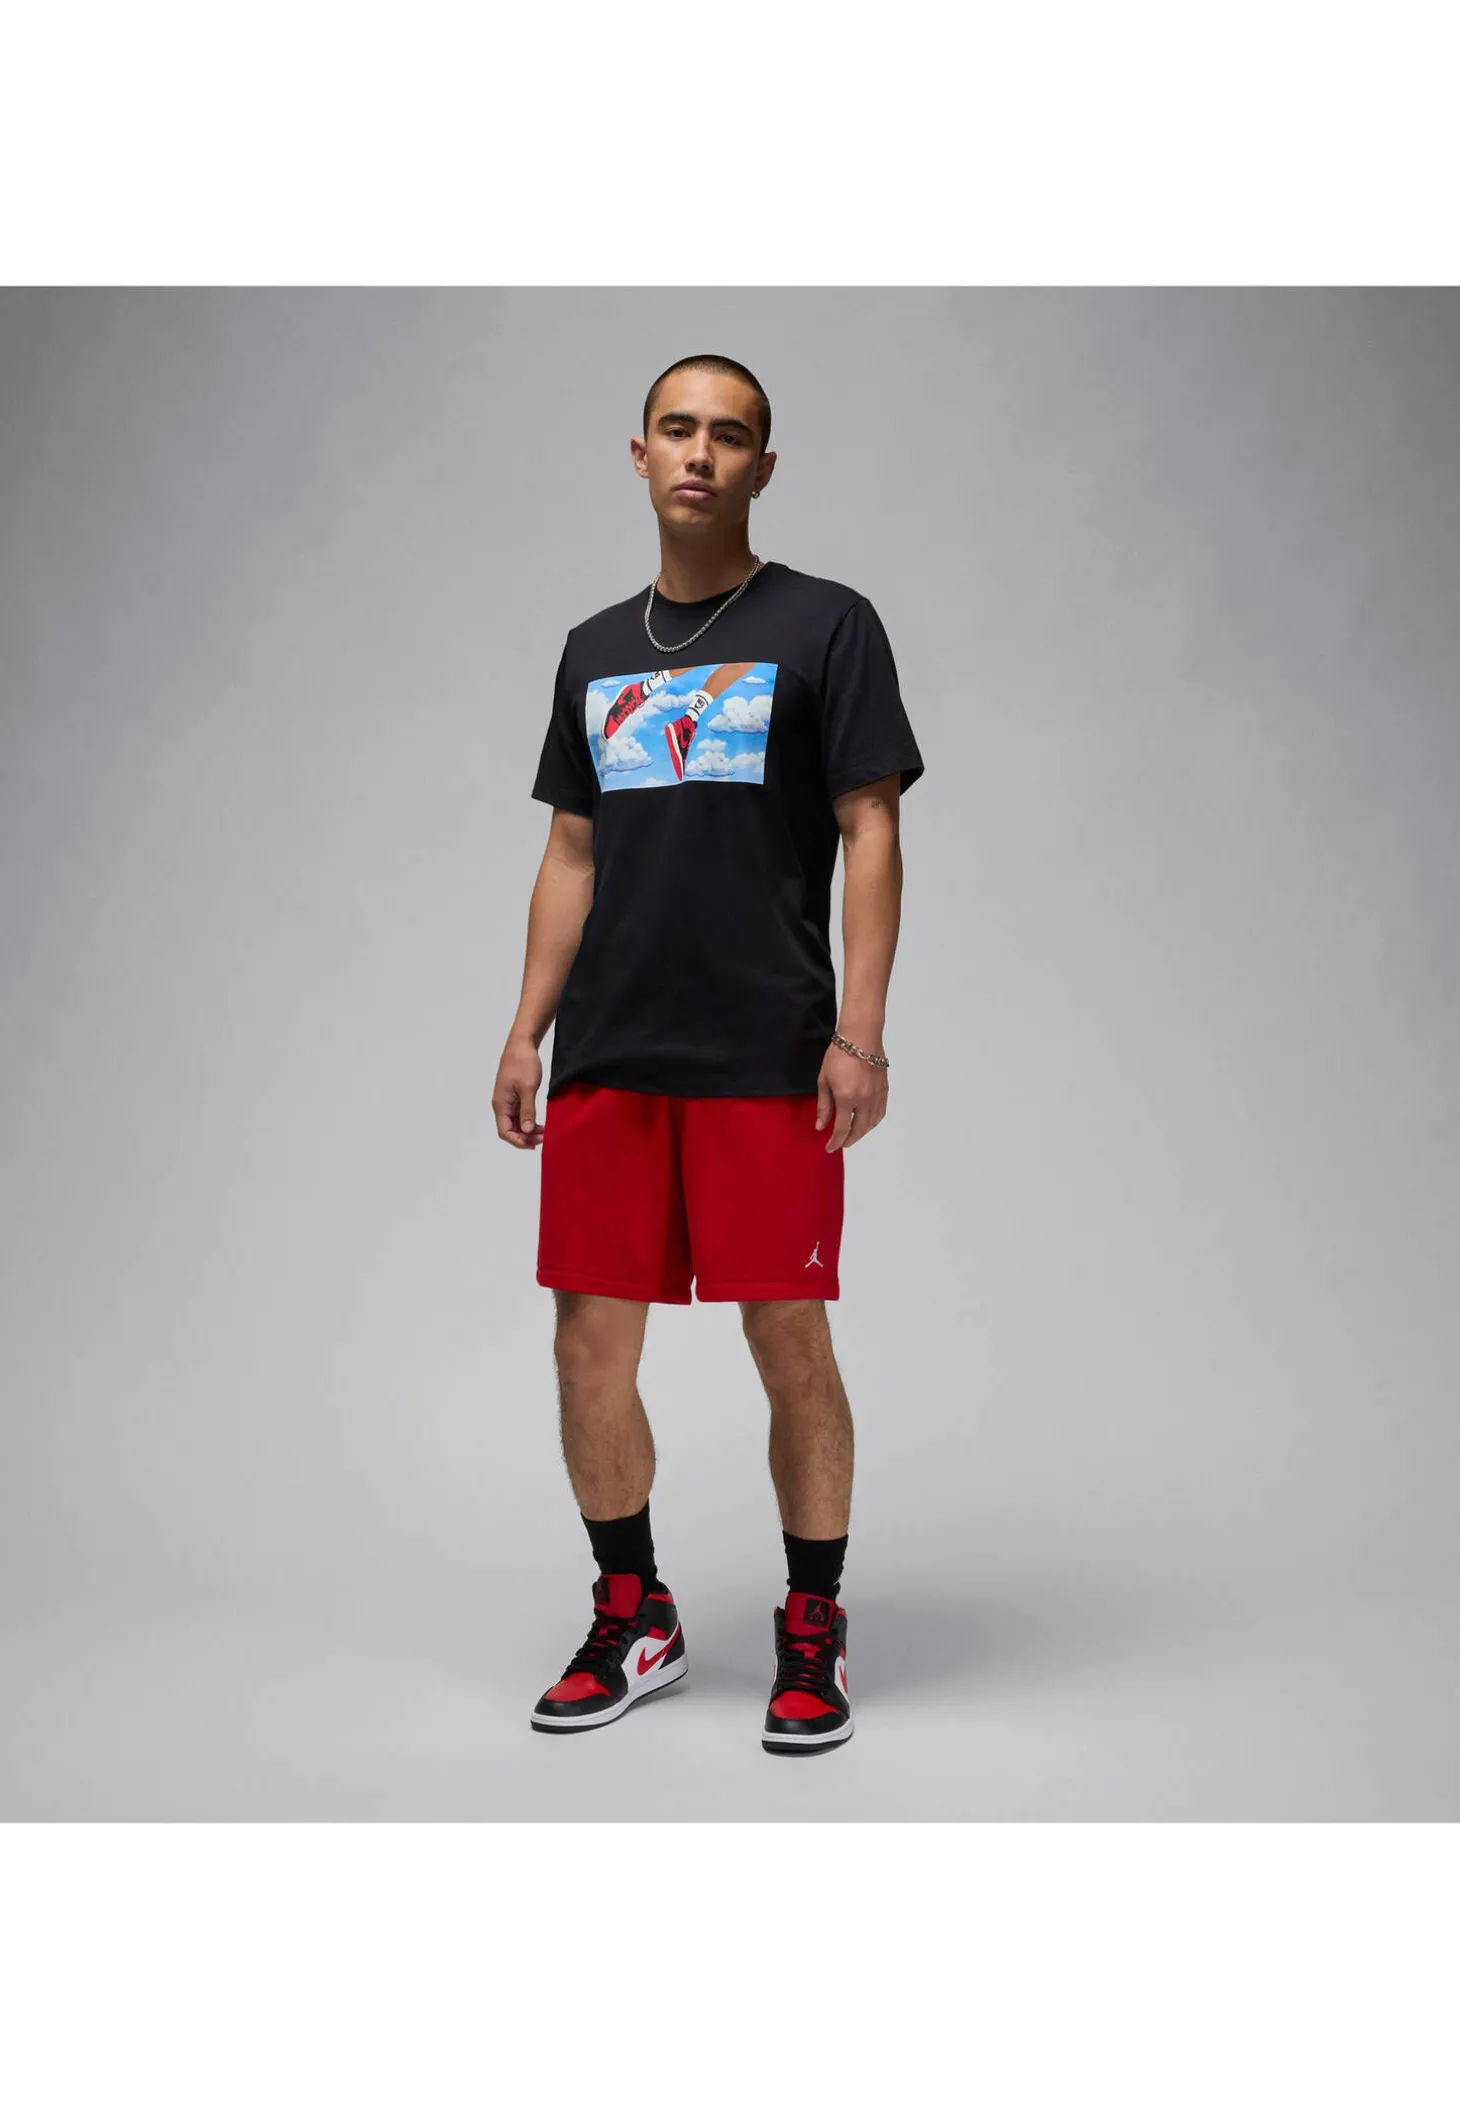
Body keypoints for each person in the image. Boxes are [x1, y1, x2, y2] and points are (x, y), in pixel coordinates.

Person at [494, 353, 923, 1753]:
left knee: (787, 1338)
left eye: (728, 436)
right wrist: (526, 1028)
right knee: (586, 1351)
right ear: (639, 455)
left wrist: (859, 1030)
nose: (700, 454)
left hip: (768, 1051)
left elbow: (872, 827)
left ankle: (814, 1622)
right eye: (676, 430)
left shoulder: (827, 624)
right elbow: (571, 851)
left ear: (761, 467)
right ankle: (634, 1613)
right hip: (613, 1047)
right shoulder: (592, 648)